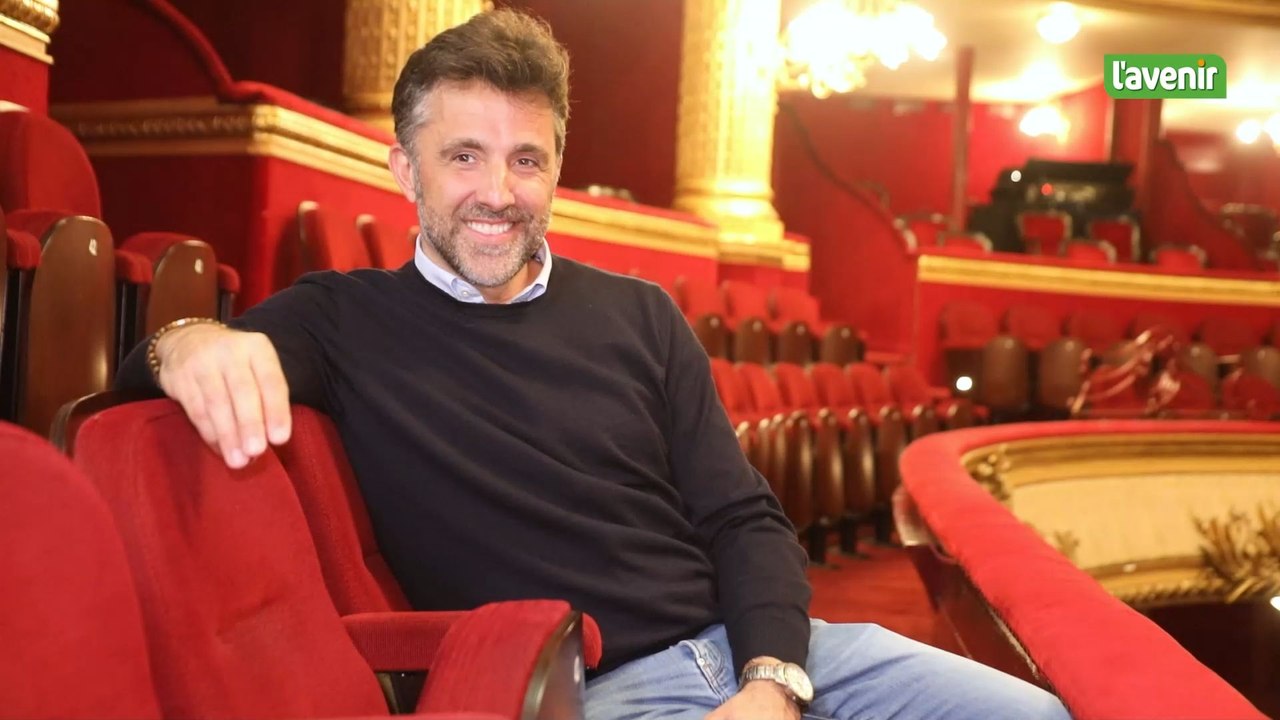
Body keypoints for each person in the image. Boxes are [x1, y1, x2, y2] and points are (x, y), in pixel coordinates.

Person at [115, 9, 1071, 720]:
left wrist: (772, 680)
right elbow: (126, 379)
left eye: (527, 160)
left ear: (557, 170)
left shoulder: (639, 313)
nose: (498, 193)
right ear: (405, 172)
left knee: (1039, 716)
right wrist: (187, 337)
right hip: (587, 693)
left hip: (763, 657)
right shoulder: (342, 320)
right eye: (464, 157)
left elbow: (743, 518)